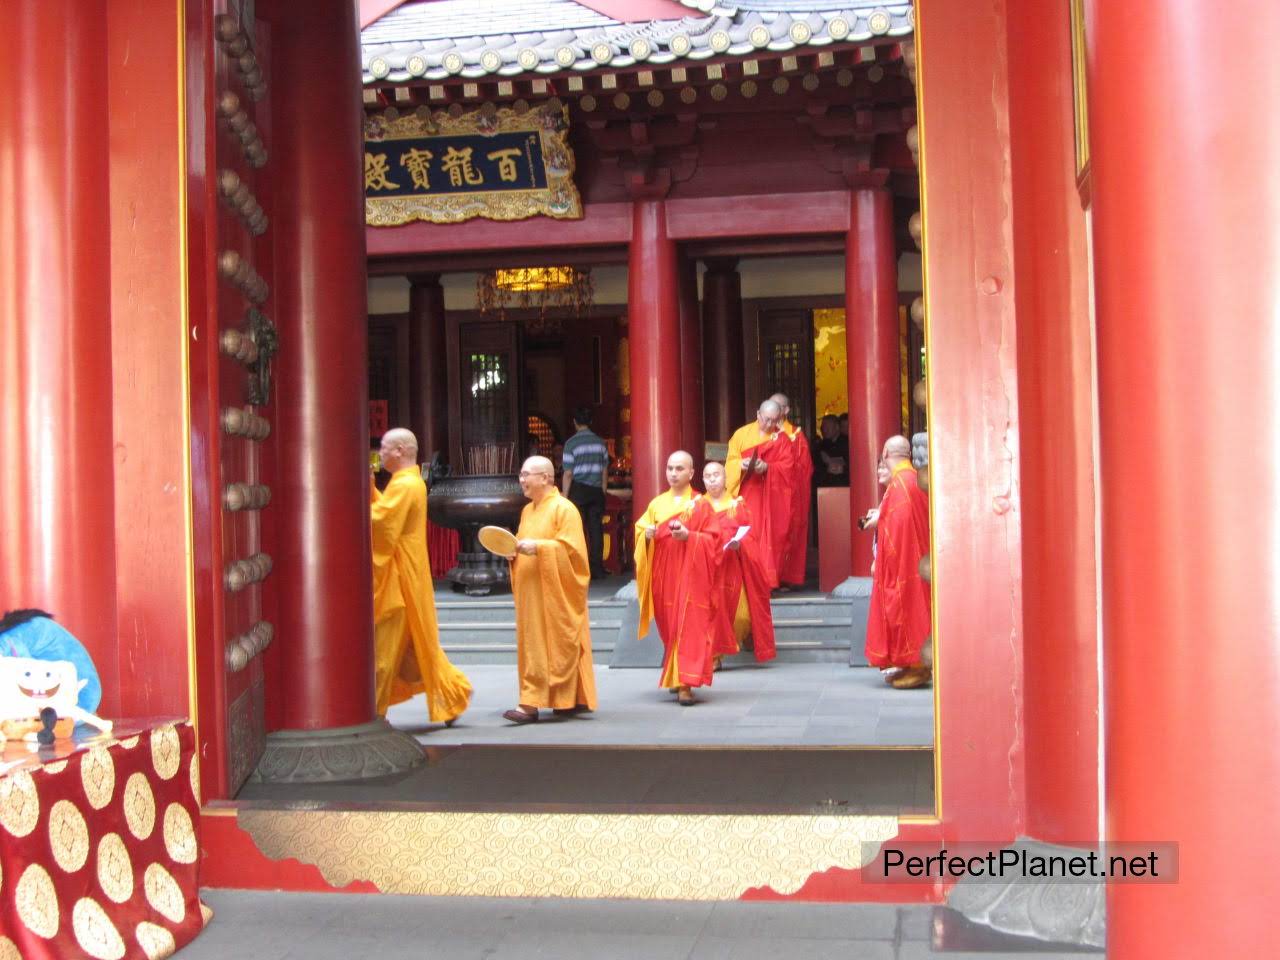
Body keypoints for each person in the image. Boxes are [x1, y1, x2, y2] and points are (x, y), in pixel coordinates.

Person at [370, 428, 472, 723]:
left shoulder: (404, 485)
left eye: (385, 447)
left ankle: (373, 713)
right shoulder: (407, 481)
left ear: (401, 450)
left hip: (401, 578)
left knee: (385, 652)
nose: (381, 453)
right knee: (417, 645)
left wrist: (361, 493)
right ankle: (452, 694)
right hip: (407, 572)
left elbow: (382, 523)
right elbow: (385, 514)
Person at [504, 456, 598, 723]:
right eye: (520, 475)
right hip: (531, 593)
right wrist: (512, 552)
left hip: (555, 592)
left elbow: (575, 554)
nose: (521, 480)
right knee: (535, 644)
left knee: (560, 641)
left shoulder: (564, 509)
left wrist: (541, 548)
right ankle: (562, 699)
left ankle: (531, 703)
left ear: (545, 477)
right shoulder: (527, 511)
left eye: (526, 475)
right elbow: (521, 544)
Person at [634, 451, 724, 705]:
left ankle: (686, 683)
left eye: (679, 469)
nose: (673, 473)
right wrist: (647, 535)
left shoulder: (700, 504)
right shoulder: (657, 503)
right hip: (664, 575)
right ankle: (676, 675)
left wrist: (690, 536)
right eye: (670, 468)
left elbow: (715, 541)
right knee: (670, 626)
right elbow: (641, 531)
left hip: (692, 574)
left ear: (691, 473)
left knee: (688, 626)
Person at [858, 435, 932, 689]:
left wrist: (880, 520)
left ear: (887, 453)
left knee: (909, 611)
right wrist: (883, 515)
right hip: (918, 556)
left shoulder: (901, 483)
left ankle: (917, 666)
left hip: (907, 561)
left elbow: (898, 526)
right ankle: (911, 664)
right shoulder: (911, 478)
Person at [701, 462, 776, 668]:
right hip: (708, 569)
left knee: (741, 616)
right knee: (711, 613)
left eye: (717, 475)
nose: (712, 479)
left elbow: (750, 534)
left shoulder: (737, 504)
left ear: (725, 478)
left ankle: (741, 639)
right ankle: (714, 656)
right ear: (702, 480)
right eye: (708, 476)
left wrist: (739, 543)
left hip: (734, 567)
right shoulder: (698, 506)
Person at [724, 399, 796, 588]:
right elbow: (729, 462)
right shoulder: (741, 435)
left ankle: (764, 582)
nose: (770, 425)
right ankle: (743, 579)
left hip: (771, 497)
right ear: (757, 415)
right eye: (766, 419)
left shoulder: (782, 440)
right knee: (747, 533)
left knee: (767, 537)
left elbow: (788, 468)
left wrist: (767, 467)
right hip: (746, 493)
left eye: (774, 420)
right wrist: (740, 464)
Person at [770, 392, 813, 588]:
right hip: (767, 493)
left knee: (788, 532)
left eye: (778, 405)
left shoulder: (796, 435)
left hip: (789, 493)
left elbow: (804, 468)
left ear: (786, 410)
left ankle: (786, 577)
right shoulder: (761, 432)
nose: (774, 409)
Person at [560, 406, 610, 580]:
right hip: (596, 490)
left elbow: (568, 473)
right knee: (596, 529)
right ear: (590, 422)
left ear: (574, 422)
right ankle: (597, 568)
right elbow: (605, 468)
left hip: (578, 490)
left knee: (577, 529)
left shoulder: (571, 443)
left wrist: (564, 496)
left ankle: (579, 568)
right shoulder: (600, 443)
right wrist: (603, 488)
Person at [813, 414, 850, 487]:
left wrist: (843, 469)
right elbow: (815, 468)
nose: (824, 430)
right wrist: (827, 468)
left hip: (844, 486)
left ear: (837, 427)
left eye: (827, 427)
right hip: (826, 487)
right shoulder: (820, 447)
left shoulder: (847, 443)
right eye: (823, 427)